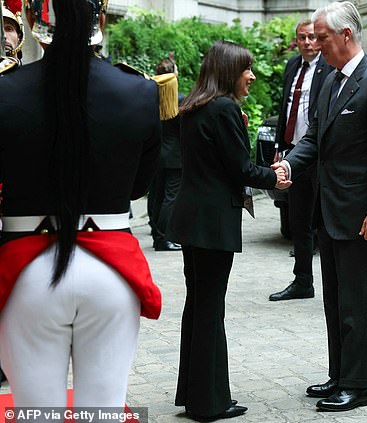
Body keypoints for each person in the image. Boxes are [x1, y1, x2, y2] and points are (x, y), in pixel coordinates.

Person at [0, 0, 162, 409]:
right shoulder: (139, 89)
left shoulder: (4, 90)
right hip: (110, 268)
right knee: (103, 411)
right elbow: (139, 186)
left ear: (32, 21)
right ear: (101, 21)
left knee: (36, 414)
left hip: (25, 269)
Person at [275, 1, 367, 412]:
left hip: (361, 214)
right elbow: (313, 139)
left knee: (358, 303)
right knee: (334, 300)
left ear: (346, 35)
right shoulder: (330, 81)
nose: (314, 43)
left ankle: (358, 385)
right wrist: (285, 165)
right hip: (328, 212)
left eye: (322, 36)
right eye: (312, 36)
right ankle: (338, 375)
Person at [167, 41, 288, 421]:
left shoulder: (192, 105)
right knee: (209, 309)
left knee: (198, 305)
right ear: (228, 72)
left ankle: (193, 394)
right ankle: (209, 403)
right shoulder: (224, 109)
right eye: (246, 69)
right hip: (213, 223)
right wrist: (278, 177)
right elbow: (241, 170)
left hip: (192, 220)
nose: (251, 76)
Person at [268, 19, 333, 301]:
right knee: (298, 221)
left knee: (326, 220)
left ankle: (336, 284)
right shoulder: (292, 66)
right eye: (301, 38)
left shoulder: (329, 68)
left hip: (323, 156)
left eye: (311, 37)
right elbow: (285, 108)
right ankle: (303, 281)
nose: (307, 43)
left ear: (318, 40)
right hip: (294, 154)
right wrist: (280, 148)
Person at [147, 57, 184, 251]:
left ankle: (156, 234)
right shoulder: (178, 98)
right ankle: (163, 238)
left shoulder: (149, 96)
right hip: (175, 155)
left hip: (155, 153)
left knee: (156, 195)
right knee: (171, 196)